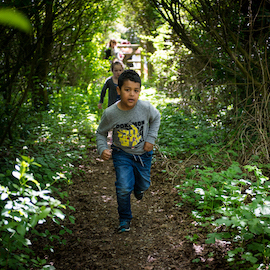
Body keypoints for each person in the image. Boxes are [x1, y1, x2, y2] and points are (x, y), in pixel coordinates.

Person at [96, 70, 161, 233]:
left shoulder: (145, 108)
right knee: (124, 187)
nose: (132, 94)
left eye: (136, 90)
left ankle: (138, 188)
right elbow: (101, 132)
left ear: (140, 91)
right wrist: (102, 148)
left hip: (143, 154)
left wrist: (150, 139)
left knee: (144, 184)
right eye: (127, 90)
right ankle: (124, 219)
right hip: (122, 153)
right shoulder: (111, 113)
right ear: (118, 90)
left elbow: (157, 117)